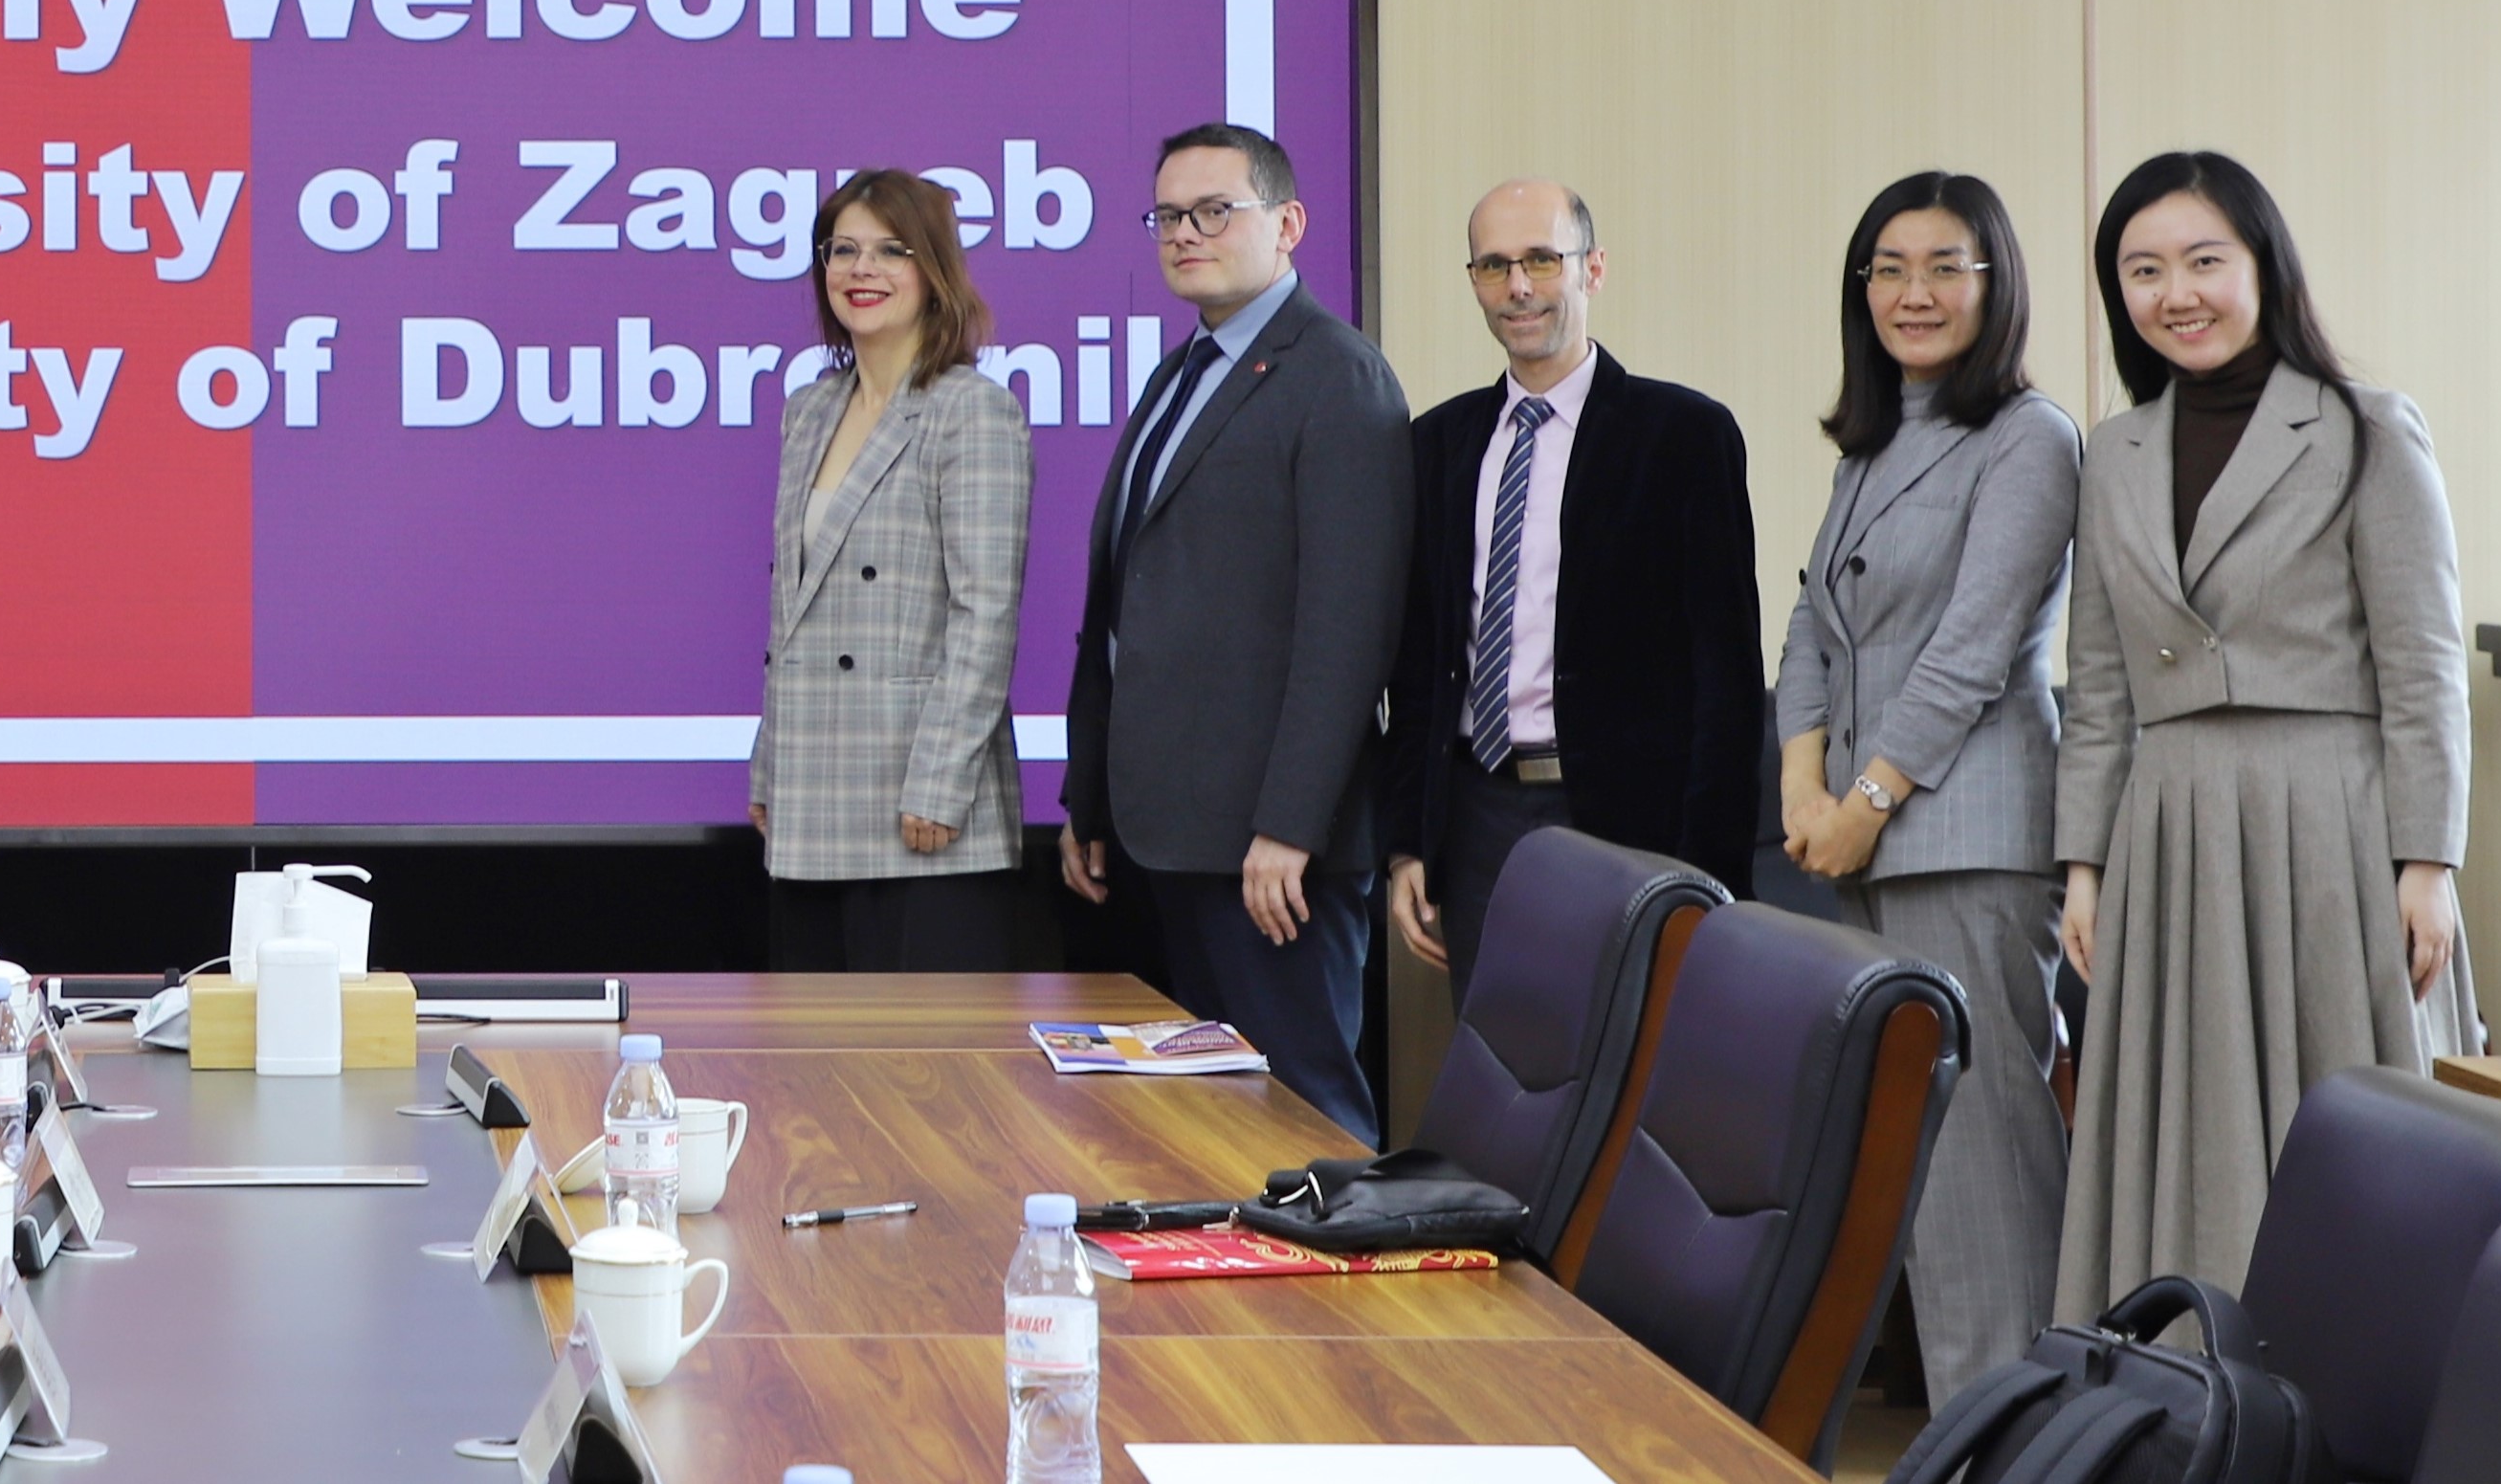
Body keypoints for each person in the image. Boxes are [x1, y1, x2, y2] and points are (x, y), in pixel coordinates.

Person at [2054, 151, 2478, 1313]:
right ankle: (2188, 1375)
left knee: (2349, 1119)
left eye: (2203, 260)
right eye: (2142, 270)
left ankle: (2362, 1380)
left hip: (2334, 818)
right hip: (2169, 823)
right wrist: (2082, 865)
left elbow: (2422, 661)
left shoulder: (2365, 428)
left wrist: (2427, 861)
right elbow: (2096, 682)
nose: (2175, 293)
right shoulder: (2113, 452)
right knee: (2183, 1127)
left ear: (2262, 267)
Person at [1769, 170, 2080, 1399]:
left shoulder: (2027, 436)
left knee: (1980, 1169)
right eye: (1887, 268)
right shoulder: (1873, 438)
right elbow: (1812, 620)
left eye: (1945, 266)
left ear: (1994, 284)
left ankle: (2015, 1440)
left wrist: (1863, 801)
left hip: (1964, 839)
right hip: (1863, 836)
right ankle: (1963, 1430)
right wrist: (1799, 783)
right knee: (1916, 1167)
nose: (1913, 292)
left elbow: (1974, 646)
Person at [1058, 122, 1412, 1145]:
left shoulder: (1336, 375)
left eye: (1214, 210)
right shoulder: (1182, 371)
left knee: (1301, 1114)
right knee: (1200, 1123)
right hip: (1167, 830)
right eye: (1168, 215)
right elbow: (1122, 598)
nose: (1185, 233)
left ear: (1287, 223)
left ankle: (1339, 1262)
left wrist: (1291, 826)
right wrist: (1089, 790)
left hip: (1267, 849)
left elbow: (1348, 630)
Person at [1381, 181, 1762, 993]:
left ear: (1593, 268)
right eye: (1494, 265)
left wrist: (1712, 873)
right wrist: (1410, 840)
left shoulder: (1683, 436)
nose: (1518, 286)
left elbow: (1726, 675)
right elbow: (1418, 667)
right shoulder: (1437, 444)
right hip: (1477, 816)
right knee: (1496, 1057)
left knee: (1634, 1055)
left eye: (1542, 260)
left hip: (1630, 824)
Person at [752, 170, 1033, 971]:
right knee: (811, 1048)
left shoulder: (970, 409)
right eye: (843, 250)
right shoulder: (810, 408)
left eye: (890, 250)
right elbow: (793, 609)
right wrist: (770, 763)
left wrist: (941, 783)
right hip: (812, 795)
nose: (861, 270)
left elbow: (985, 615)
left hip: (924, 811)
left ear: (934, 269)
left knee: (923, 1052)